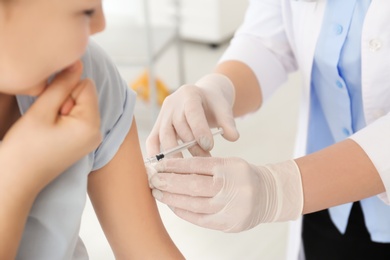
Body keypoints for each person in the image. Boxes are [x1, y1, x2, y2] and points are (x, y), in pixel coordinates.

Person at [146, 0, 390, 259]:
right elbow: (267, 39)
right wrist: (217, 89)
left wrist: (278, 189)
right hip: (326, 207)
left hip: (316, 186)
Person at [0, 0, 184, 259]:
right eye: (85, 11)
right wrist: (15, 179)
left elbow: (148, 251)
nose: (100, 25)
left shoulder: (89, 77)